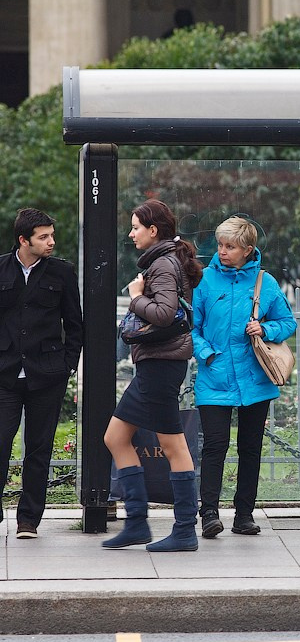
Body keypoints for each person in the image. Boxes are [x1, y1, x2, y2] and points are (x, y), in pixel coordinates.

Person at [101, 199, 203, 552]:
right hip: (155, 364)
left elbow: (164, 313)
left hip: (161, 364)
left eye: (135, 228)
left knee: (173, 444)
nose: (131, 234)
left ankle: (185, 530)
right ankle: (136, 523)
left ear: (153, 230)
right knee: (116, 437)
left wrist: (135, 297)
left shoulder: (162, 264)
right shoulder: (166, 260)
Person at [191, 217, 296, 538]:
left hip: (255, 379)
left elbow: (288, 322)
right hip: (214, 377)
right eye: (220, 245)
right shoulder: (205, 280)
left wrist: (265, 328)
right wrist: (207, 354)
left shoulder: (266, 283)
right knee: (215, 445)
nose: (222, 251)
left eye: (230, 247)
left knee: (251, 448)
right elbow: (192, 327)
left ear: (248, 250)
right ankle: (209, 513)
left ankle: (244, 515)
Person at [0, 208, 83, 539]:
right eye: (43, 237)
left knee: (39, 447)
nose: (51, 242)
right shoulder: (1, 268)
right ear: (24, 240)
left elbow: (74, 323)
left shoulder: (62, 272)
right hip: (4, 373)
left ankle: (29, 519)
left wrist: (67, 365)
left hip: (47, 374)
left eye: (52, 235)